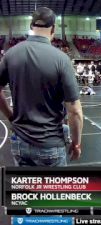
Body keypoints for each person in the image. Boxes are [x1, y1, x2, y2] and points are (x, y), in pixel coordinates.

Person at [0, 7, 83, 166]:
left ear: (31, 27)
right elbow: (75, 111)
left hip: (20, 142)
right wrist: (76, 143)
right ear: (53, 28)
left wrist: (11, 116)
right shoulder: (61, 59)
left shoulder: (11, 54)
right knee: (53, 190)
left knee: (25, 188)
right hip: (50, 145)